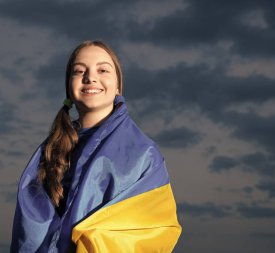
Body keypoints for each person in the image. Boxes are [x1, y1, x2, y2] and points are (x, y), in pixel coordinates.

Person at [10, 40, 181, 253]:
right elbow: (28, 232)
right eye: (79, 70)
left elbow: (154, 230)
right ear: (69, 88)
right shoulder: (50, 149)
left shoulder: (145, 154)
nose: (90, 77)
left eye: (102, 70)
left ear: (118, 85)